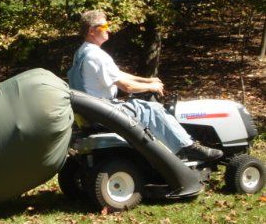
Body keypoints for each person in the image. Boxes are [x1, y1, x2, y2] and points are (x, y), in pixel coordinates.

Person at [67, 10, 223, 162]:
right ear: (92, 31)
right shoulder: (97, 56)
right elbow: (126, 86)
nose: (109, 29)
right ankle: (188, 147)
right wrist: (151, 88)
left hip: (93, 111)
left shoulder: (82, 53)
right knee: (153, 109)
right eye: (105, 26)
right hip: (104, 110)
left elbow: (118, 74)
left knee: (143, 106)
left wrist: (148, 81)